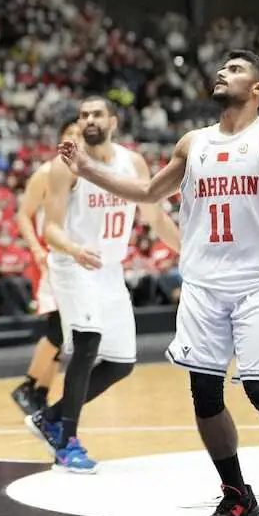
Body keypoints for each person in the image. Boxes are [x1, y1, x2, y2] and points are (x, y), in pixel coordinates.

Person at [59, 54, 259, 516]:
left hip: (257, 283)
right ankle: (236, 494)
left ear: (257, 89)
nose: (222, 72)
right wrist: (86, 169)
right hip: (203, 285)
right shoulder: (194, 143)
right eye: (222, 67)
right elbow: (148, 192)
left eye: (235, 68)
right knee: (204, 394)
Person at [30, 96, 181, 473]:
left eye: (97, 114)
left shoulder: (133, 163)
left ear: (113, 121)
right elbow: (50, 228)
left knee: (121, 363)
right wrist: (74, 248)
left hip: (109, 269)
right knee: (87, 342)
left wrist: (190, 252)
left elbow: (156, 218)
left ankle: (50, 417)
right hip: (72, 264)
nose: (89, 120)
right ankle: (67, 443)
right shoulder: (65, 166)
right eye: (83, 115)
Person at [10, 117, 80, 418]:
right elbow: (24, 215)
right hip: (50, 257)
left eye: (80, 134)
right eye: (70, 133)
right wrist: (36, 248)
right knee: (57, 327)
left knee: (64, 332)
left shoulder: (88, 175)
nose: (76, 138)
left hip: (75, 259)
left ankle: (39, 391)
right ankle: (28, 387)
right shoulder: (47, 172)